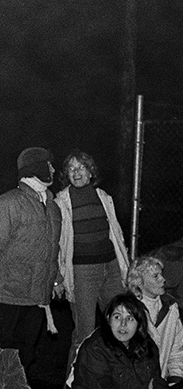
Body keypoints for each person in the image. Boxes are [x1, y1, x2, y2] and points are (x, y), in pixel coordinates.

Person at [0, 147, 62, 374]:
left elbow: (52, 249)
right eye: (49, 165)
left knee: (26, 354)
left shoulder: (52, 206)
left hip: (37, 295)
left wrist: (56, 279)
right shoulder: (10, 202)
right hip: (9, 294)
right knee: (1, 351)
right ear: (37, 168)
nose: (54, 170)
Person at [56, 150, 129, 373]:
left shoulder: (104, 197)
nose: (76, 172)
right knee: (84, 333)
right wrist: (58, 277)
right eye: (71, 169)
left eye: (81, 168)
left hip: (112, 268)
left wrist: (125, 266)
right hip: (82, 272)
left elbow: (116, 235)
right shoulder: (60, 202)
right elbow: (57, 244)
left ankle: (117, 382)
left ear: (90, 172)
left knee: (120, 326)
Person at [128, 255, 183, 389]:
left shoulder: (170, 307)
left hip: (162, 384)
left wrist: (175, 379)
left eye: (161, 275)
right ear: (139, 282)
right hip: (133, 387)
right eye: (155, 276)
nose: (163, 280)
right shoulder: (128, 310)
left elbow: (177, 349)